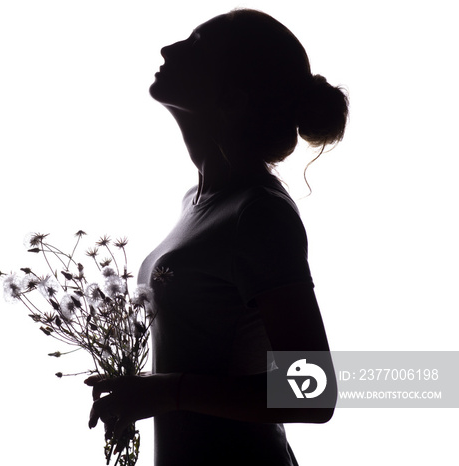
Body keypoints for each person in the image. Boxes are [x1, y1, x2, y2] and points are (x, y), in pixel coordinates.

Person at [85, 8, 348, 466]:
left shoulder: (259, 212)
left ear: (233, 97)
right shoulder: (197, 200)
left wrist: (167, 392)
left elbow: (313, 393)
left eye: (197, 45)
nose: (169, 49)